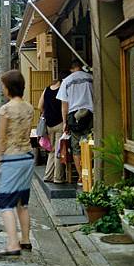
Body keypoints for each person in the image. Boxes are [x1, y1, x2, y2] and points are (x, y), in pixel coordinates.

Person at [0, 70, 34, 257]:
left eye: (3, 85)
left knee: (5, 203)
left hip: (12, 158)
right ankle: (25, 239)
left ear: (8, 87)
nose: (2, 88)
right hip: (27, 157)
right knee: (22, 203)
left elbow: (1, 139)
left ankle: (12, 244)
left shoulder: (6, 109)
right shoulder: (29, 107)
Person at [57, 59, 93, 187]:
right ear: (80, 67)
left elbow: (64, 105)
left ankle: (81, 177)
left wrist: (65, 122)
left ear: (72, 69)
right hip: (91, 115)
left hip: (74, 116)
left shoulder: (67, 81)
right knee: (92, 143)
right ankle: (93, 173)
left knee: (76, 147)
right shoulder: (91, 78)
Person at [38, 73, 68, 183]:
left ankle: (48, 175)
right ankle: (58, 177)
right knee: (58, 151)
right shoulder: (62, 90)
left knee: (51, 150)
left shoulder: (46, 90)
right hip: (59, 123)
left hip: (48, 124)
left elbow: (39, 106)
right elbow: (64, 108)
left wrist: (47, 112)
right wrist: (65, 122)